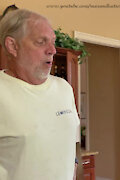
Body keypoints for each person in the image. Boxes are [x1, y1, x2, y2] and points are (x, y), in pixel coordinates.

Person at [0, 9, 81, 180]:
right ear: (13, 46)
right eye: (41, 42)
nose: (52, 50)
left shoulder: (64, 88)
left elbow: (71, 143)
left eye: (52, 42)